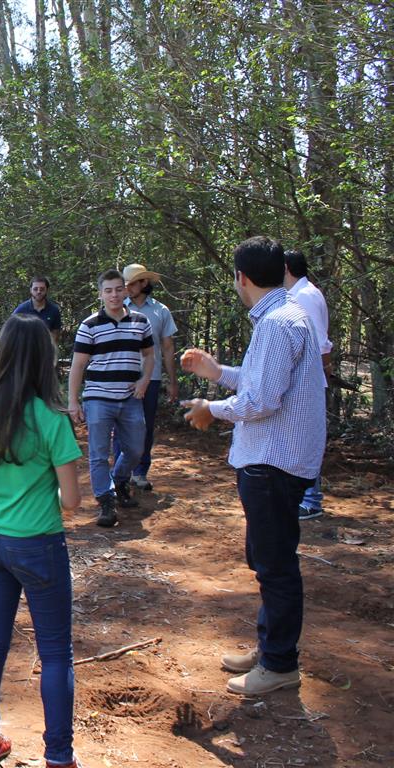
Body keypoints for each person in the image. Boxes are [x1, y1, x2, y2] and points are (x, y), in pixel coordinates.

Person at [181, 236, 326, 696]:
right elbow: (263, 381)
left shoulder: (279, 323)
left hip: (273, 459)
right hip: (278, 457)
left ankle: (280, 662)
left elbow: (261, 399)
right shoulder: (285, 317)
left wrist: (211, 407)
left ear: (241, 278)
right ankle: (270, 649)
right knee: (269, 559)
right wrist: (217, 372)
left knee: (275, 563)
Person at [0, 313, 83, 768]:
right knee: (55, 653)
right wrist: (38, 479)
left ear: (1, 355)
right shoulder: (52, 420)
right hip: (39, 545)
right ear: (45, 362)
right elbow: (72, 501)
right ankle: (59, 757)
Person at [68, 269, 153, 527]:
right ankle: (106, 500)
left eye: (118, 289)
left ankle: (120, 478)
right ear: (101, 294)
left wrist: (144, 381)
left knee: (136, 449)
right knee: (98, 453)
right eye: (108, 290)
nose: (114, 295)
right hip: (98, 398)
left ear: (126, 290)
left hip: (130, 397)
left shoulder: (140, 321)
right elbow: (78, 365)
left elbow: (149, 356)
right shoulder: (90, 325)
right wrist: (73, 401)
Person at [114, 264, 179, 492]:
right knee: (121, 425)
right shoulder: (118, 308)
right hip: (122, 376)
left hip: (150, 377)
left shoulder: (161, 311)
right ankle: (119, 474)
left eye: (132, 283)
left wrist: (172, 381)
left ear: (143, 283)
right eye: (126, 284)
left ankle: (140, 471)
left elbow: (168, 347)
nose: (127, 288)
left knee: (146, 426)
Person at [283, 249, 333, 520]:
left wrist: (320, 373)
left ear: (287, 268)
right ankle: (303, 496)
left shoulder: (306, 296)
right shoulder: (300, 294)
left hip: (307, 380)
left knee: (305, 439)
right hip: (303, 378)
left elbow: (321, 342)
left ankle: (311, 500)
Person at [13, 276, 63, 348]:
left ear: (47, 290)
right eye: (35, 289)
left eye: (42, 289)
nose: (39, 292)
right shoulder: (21, 310)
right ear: (31, 290)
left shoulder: (54, 310)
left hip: (45, 352)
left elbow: (55, 333)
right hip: (24, 351)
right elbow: (12, 332)